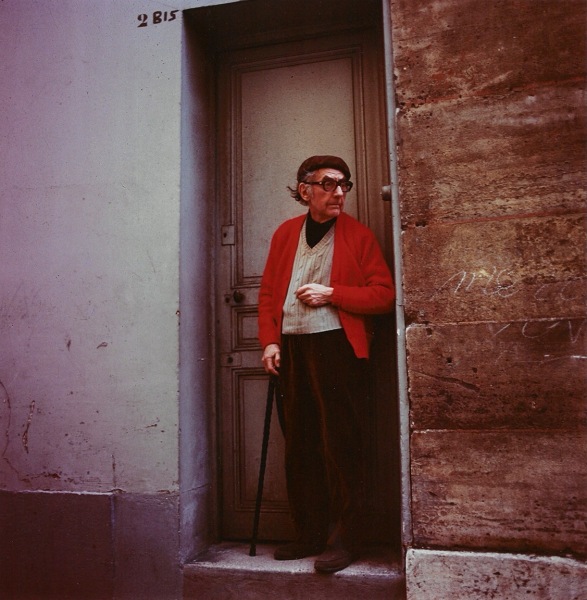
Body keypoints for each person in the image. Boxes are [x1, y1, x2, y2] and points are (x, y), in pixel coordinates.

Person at [258, 155, 395, 573]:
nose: (339, 192)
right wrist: (269, 343)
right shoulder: (285, 234)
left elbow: (384, 295)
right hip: (293, 350)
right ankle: (309, 533)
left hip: (338, 350)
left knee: (343, 444)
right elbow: (267, 296)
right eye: (329, 184)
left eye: (345, 185)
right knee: (300, 444)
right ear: (306, 190)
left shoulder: (358, 236)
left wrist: (332, 293)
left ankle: (347, 539)